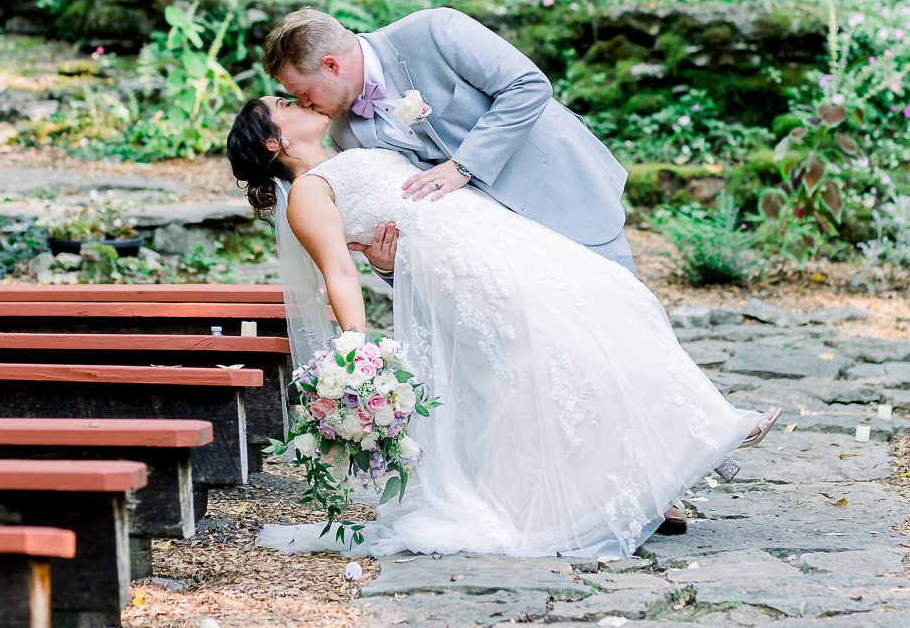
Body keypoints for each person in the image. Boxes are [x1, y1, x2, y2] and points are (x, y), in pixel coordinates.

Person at [226, 94, 779, 559]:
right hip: (464, 270)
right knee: (552, 354)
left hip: (495, 236)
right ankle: (704, 435)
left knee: (615, 301)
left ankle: (680, 446)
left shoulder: (351, 151)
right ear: (274, 142)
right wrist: (356, 349)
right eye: (282, 104)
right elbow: (339, 270)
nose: (297, 100)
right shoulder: (308, 193)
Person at [261, 6, 635, 275]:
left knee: (626, 319)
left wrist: (462, 166)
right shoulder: (345, 132)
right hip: (502, 255)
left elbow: (528, 86)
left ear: (331, 65)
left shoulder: (433, 31)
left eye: (304, 93)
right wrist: (386, 265)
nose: (305, 104)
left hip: (562, 190)